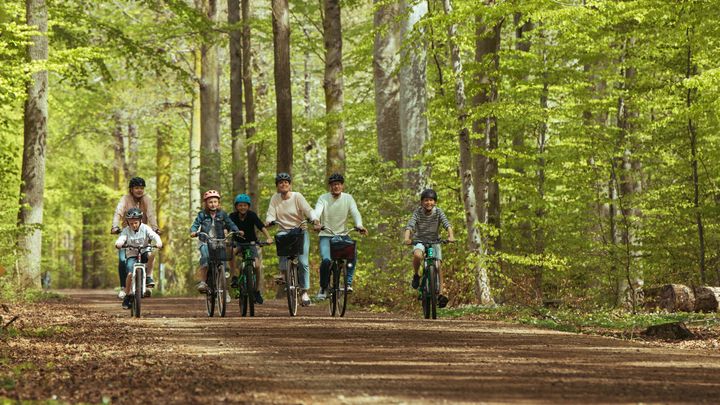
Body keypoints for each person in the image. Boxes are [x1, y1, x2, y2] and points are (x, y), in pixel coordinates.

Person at [265, 172, 317, 307]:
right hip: (284, 231)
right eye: (280, 183)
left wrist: (314, 218)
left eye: (286, 182)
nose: (283, 184)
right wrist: (270, 221)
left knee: (303, 262)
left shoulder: (297, 196)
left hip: (300, 231)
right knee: (281, 243)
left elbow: (308, 209)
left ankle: (304, 291)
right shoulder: (275, 198)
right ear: (277, 186)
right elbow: (271, 213)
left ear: (290, 185)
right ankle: (283, 274)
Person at [312, 173, 368, 299]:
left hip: (343, 235)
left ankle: (347, 283)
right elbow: (317, 211)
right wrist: (316, 222)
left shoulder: (348, 198)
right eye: (333, 185)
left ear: (342, 186)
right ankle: (323, 287)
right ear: (330, 187)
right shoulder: (323, 198)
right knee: (326, 260)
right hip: (326, 234)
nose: (335, 187)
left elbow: (355, 212)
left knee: (352, 253)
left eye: (338, 184)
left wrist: (359, 225)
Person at [403, 189, 455, 308]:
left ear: (435, 202)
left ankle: (440, 294)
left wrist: (451, 236)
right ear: (422, 202)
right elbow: (410, 226)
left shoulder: (438, 212)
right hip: (419, 240)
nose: (428, 202)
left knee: (438, 266)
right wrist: (407, 238)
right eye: (426, 200)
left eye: (431, 200)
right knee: (417, 255)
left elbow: (447, 224)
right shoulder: (417, 212)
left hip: (434, 241)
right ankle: (416, 275)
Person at [111, 177, 159, 299]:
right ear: (131, 189)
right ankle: (124, 287)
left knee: (149, 255)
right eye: (137, 188)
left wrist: (155, 227)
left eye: (142, 188)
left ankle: (148, 279)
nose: (139, 190)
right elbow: (118, 213)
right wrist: (115, 226)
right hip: (127, 234)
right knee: (123, 260)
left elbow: (151, 214)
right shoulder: (125, 199)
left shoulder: (147, 199)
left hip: (143, 234)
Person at [191, 190, 240, 293]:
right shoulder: (202, 214)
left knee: (222, 261)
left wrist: (236, 230)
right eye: (210, 202)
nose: (213, 204)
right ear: (206, 203)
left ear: (218, 203)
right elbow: (195, 224)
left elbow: (230, 223)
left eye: (215, 202)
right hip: (205, 240)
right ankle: (203, 282)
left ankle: (223, 289)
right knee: (205, 258)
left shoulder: (222, 214)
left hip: (219, 240)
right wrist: (194, 231)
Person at [229, 193, 273, 304]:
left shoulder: (252, 215)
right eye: (240, 205)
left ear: (248, 206)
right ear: (236, 207)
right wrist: (225, 236)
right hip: (238, 243)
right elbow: (226, 227)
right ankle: (234, 276)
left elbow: (261, 226)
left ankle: (257, 290)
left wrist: (268, 238)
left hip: (251, 243)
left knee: (257, 266)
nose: (242, 207)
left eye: (245, 205)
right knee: (230, 252)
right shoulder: (232, 216)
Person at [115, 208, 162, 309]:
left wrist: (158, 242)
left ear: (140, 221)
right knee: (130, 274)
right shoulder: (126, 231)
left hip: (144, 251)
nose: (133, 225)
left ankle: (148, 276)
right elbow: (122, 238)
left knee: (151, 255)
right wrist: (119, 243)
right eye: (131, 223)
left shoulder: (145, 228)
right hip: (132, 254)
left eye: (135, 223)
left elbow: (154, 236)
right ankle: (127, 295)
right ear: (128, 222)